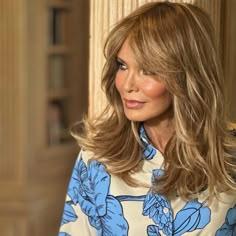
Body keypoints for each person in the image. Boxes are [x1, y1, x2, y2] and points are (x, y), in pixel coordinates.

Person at [58, 1, 236, 235]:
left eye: (148, 70)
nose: (127, 85)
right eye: (122, 66)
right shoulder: (96, 159)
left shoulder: (230, 157)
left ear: (185, 75)